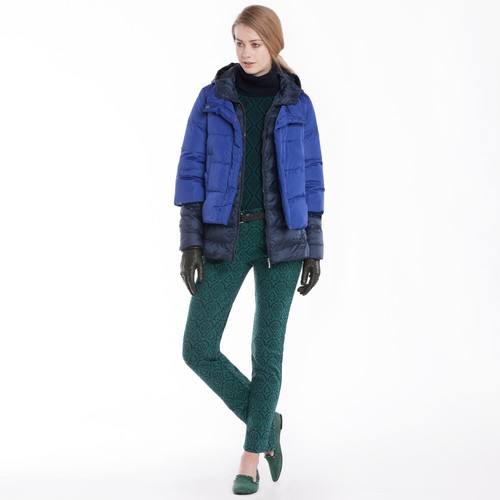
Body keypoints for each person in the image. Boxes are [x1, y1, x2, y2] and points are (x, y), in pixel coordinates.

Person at [174, 4, 325, 495]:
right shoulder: (212, 99)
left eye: (255, 44)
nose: (245, 52)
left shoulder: (298, 104)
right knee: (198, 348)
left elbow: (312, 177)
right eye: (239, 42)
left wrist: (314, 246)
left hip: (285, 240)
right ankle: (266, 424)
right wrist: (190, 243)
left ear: (274, 44)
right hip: (227, 236)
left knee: (268, 352)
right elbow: (192, 170)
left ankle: (249, 457)